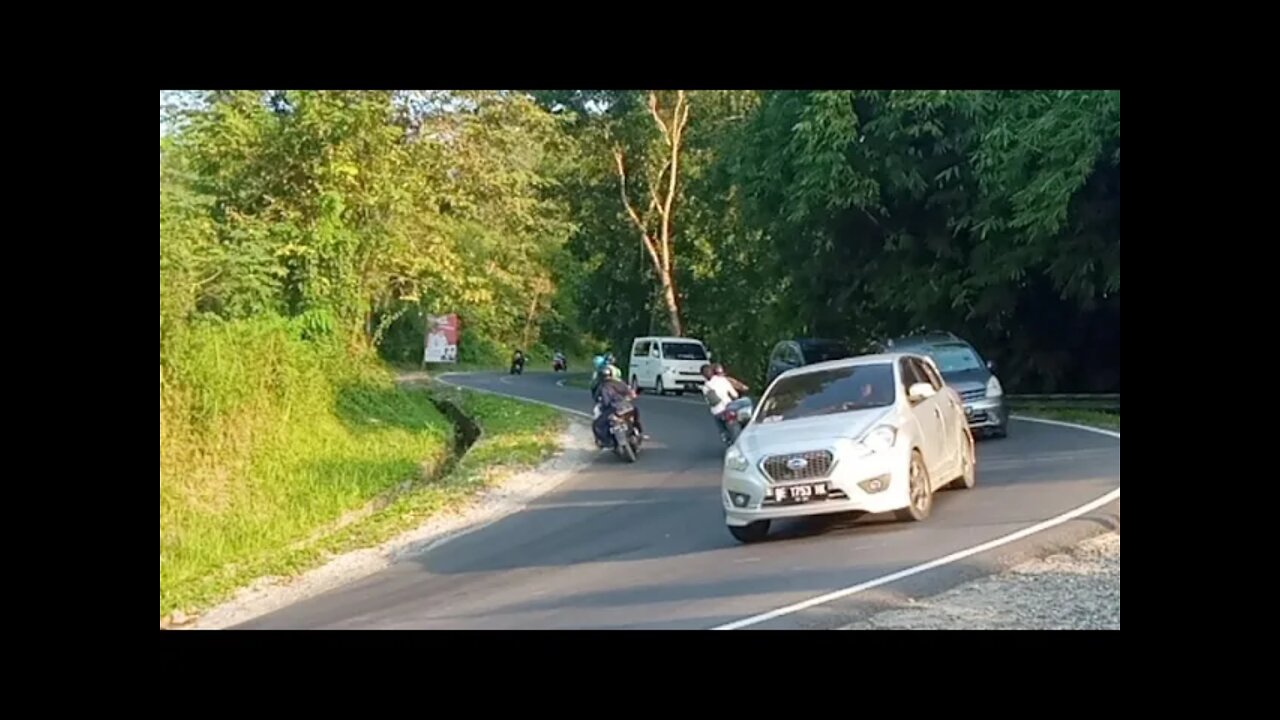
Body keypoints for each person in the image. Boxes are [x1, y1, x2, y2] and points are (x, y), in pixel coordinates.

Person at [592, 365, 646, 445]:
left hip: (613, 409)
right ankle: (638, 432)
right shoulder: (618, 383)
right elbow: (630, 392)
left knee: (597, 425)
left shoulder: (602, 387)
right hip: (623, 407)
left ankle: (607, 442)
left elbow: (599, 400)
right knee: (635, 413)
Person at [701, 363, 750, 440]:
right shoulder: (723, 380)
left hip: (718, 412)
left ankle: (723, 434)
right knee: (747, 401)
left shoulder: (705, 387)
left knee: (716, 416)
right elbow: (735, 395)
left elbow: (710, 402)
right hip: (729, 406)